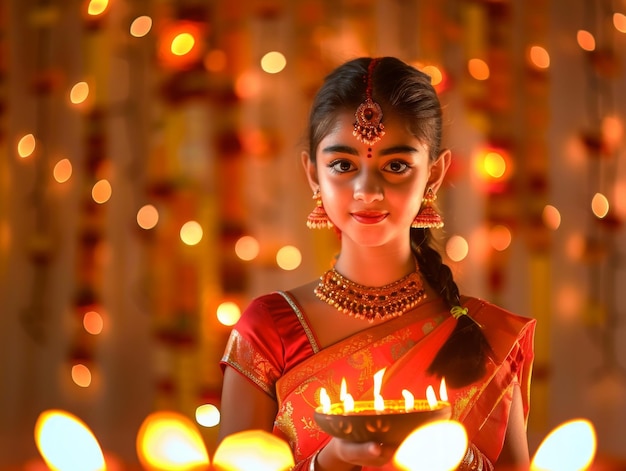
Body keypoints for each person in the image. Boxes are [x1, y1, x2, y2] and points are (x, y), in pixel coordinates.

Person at [218, 56, 536, 470]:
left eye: (397, 166)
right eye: (343, 165)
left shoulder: (485, 336)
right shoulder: (270, 329)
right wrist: (328, 462)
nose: (367, 189)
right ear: (313, 174)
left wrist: (464, 460)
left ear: (434, 175)